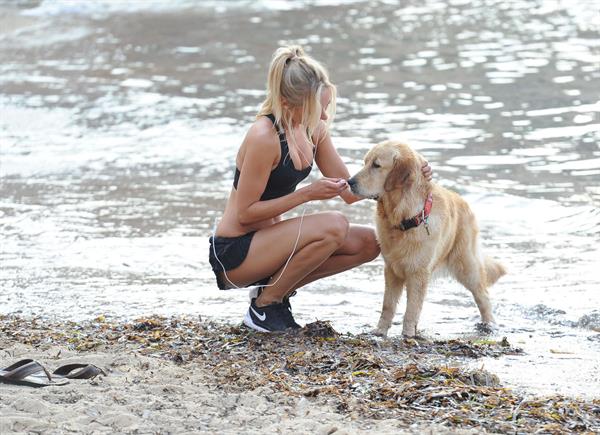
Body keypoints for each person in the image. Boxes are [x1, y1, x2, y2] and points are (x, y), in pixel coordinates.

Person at [209, 45, 432, 332]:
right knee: (334, 224)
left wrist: (411, 172)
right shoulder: (263, 137)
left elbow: (351, 192)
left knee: (370, 242)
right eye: (319, 108)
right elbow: (245, 214)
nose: (325, 116)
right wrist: (306, 193)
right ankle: (265, 308)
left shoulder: (314, 130)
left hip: (271, 246)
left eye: (326, 107)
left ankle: (271, 292)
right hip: (236, 255)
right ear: (289, 103)